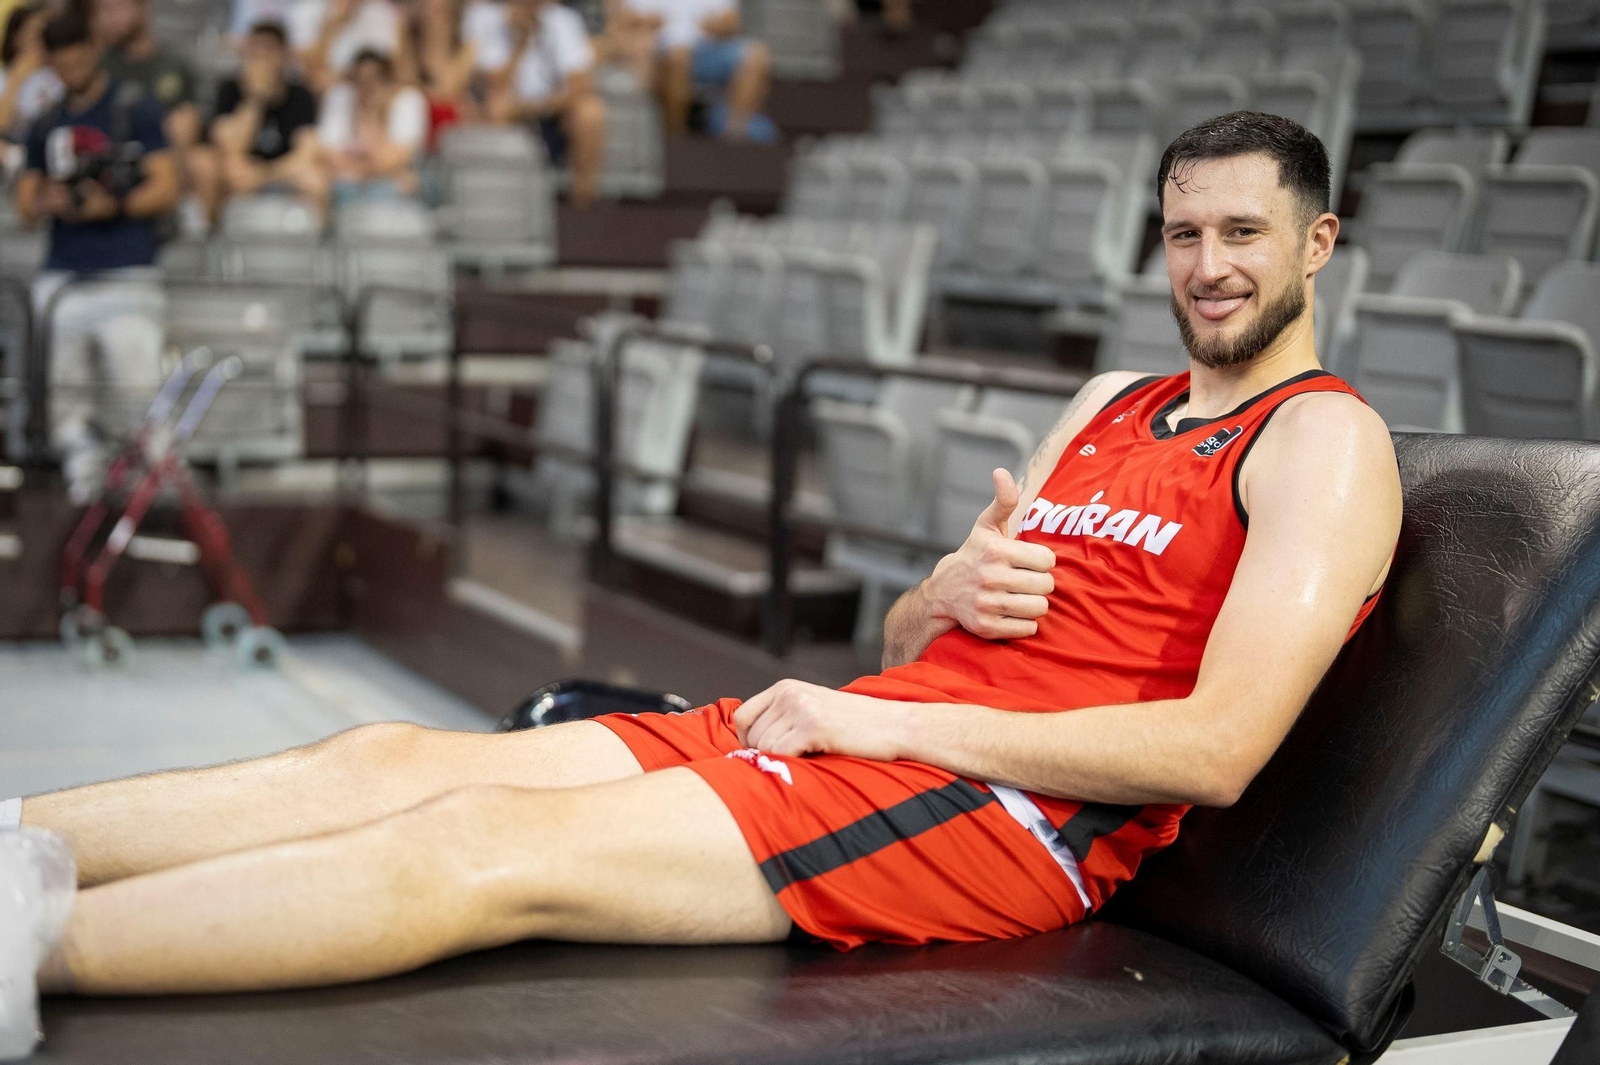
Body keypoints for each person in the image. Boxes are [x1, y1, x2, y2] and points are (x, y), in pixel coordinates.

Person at [0, 112, 1400, 1002]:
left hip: (1006, 817)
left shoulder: (1321, 443)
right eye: (1183, 233)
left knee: (479, 846)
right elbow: (919, 633)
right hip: (883, 731)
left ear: (1317, 243)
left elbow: (1219, 751)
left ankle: (28, 961)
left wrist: (870, 712)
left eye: (1242, 234)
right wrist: (941, 595)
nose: (1207, 264)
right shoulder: (1111, 403)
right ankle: (15, 849)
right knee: (383, 758)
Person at [12, 6, 176, 503]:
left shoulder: (134, 108)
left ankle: (158, 483)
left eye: (76, 54)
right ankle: (81, 480)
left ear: (94, 50)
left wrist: (114, 204)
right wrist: (50, 199)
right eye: (59, 58)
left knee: (139, 385)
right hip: (65, 272)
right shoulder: (44, 122)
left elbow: (166, 185)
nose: (70, 66)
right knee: (65, 396)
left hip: (127, 268)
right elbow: (25, 202)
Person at [468, 0, 605, 205]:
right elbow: (495, 86)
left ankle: (583, 201)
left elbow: (580, 83)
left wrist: (541, 106)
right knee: (497, 109)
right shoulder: (492, 20)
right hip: (514, 109)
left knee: (591, 113)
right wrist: (520, 44)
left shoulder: (564, 20)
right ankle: (507, 198)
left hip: (554, 109)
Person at [188, 19, 324, 224]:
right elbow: (230, 147)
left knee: (314, 178)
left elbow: (308, 150)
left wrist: (262, 175)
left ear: (283, 55)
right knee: (206, 163)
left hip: (278, 170)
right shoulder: (230, 89)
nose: (260, 57)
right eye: (254, 50)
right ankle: (211, 239)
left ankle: (314, 248)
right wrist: (256, 99)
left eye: (268, 50)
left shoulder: (300, 94)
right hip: (239, 169)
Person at [626, 0, 770, 140]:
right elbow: (628, 21)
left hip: (709, 49)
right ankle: (675, 136)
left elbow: (731, 22)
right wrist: (647, 24)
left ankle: (735, 133)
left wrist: (719, 25)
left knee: (757, 56)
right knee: (678, 57)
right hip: (661, 51)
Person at [315, 46, 427, 201]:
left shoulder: (406, 101)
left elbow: (393, 159)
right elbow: (326, 153)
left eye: (373, 79)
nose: (367, 87)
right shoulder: (343, 98)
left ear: (387, 81)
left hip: (386, 187)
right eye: (360, 80)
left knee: (405, 183)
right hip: (347, 184)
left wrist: (375, 116)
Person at [93, 0, 200, 158]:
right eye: (100, 11)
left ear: (142, 7)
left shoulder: (175, 64)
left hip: (161, 155)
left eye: (113, 9)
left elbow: (188, 123)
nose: (105, 20)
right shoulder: (99, 66)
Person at [393, 0, 479, 145]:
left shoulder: (466, 47)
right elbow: (404, 82)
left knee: (448, 109)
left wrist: (437, 34)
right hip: (415, 118)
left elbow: (448, 90)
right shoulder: (406, 36)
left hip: (447, 122)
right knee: (409, 103)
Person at [289, 0, 400, 93]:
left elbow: (389, 69)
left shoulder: (379, 13)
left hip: (361, 91)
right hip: (311, 92)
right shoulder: (306, 10)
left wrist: (342, 79)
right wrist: (332, 27)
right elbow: (306, 68)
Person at [0, 2, 62, 146]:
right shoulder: (3, 77)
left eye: (45, 34)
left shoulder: (62, 74)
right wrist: (17, 77)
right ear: (16, 38)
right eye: (33, 34)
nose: (40, 42)